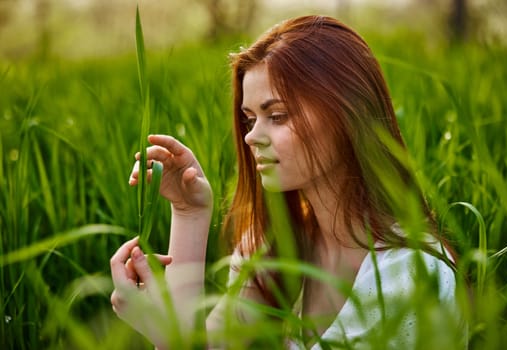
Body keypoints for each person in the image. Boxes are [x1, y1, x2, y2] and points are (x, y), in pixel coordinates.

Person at [110, 15, 465, 349]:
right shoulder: (275, 249)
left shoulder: (408, 277)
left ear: (347, 115)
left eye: (277, 116)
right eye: (250, 120)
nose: (251, 138)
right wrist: (189, 214)